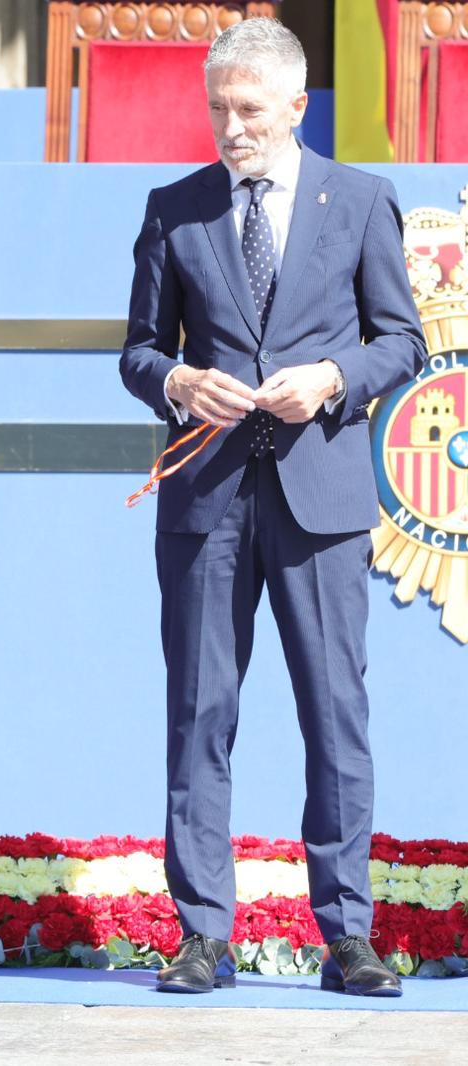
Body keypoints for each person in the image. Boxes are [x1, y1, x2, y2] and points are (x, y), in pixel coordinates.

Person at [118, 19, 424, 997]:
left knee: (334, 716)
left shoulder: (361, 200)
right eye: (218, 109)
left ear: (297, 106)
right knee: (198, 713)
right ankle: (201, 936)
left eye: (249, 109)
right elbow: (138, 352)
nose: (231, 127)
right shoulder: (174, 208)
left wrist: (332, 377)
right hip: (204, 501)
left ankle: (348, 936)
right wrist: (178, 383)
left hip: (319, 496)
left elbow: (401, 341)